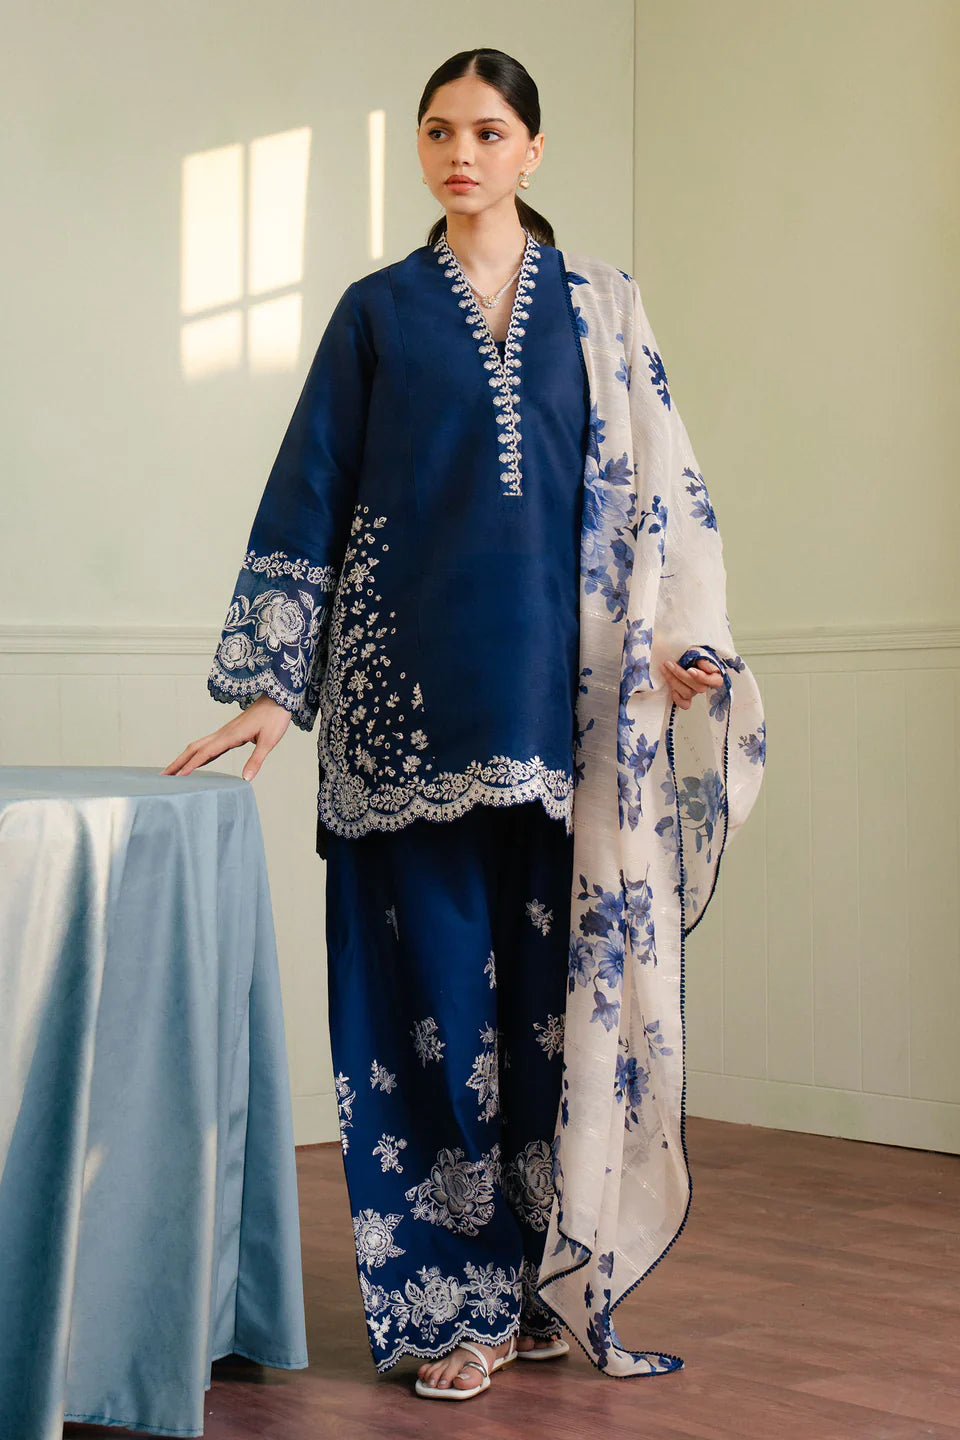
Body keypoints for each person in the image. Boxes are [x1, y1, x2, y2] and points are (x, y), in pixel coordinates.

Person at [163, 47, 765, 1398]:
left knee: (552, 1018)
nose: (460, 155)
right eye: (439, 132)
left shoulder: (602, 310)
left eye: (488, 133)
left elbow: (663, 494)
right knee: (426, 1012)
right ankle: (450, 1309)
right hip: (402, 727)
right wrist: (274, 690)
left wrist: (679, 648)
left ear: (532, 149)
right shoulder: (377, 313)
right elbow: (310, 493)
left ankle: (536, 1279)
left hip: (566, 722)